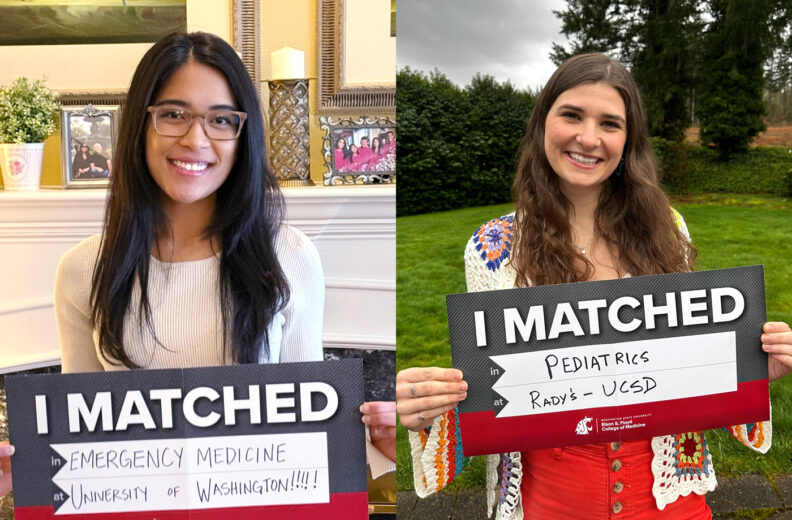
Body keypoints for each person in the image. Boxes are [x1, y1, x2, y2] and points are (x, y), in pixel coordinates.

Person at [396, 53, 792, 519]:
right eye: (571, 115)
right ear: (543, 121)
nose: (588, 138)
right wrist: (430, 406)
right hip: (550, 498)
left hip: (668, 492)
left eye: (610, 123)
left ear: (629, 140)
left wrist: (751, 367)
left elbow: (689, 365)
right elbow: (494, 390)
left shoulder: (668, 227)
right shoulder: (491, 247)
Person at [0, 31, 395, 496]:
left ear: (241, 134)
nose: (195, 138)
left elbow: (308, 436)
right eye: (173, 114)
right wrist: (19, 474)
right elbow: (80, 443)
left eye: (221, 119)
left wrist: (377, 449)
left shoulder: (290, 257)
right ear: (140, 125)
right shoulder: (83, 269)